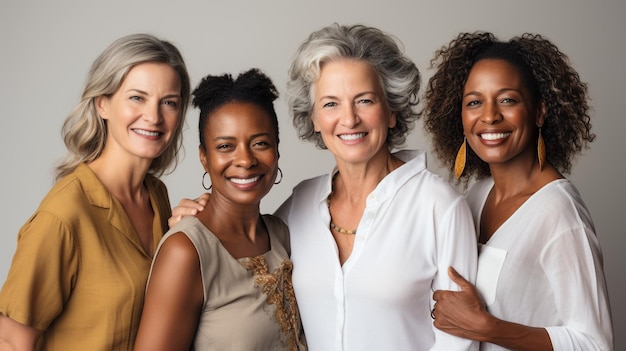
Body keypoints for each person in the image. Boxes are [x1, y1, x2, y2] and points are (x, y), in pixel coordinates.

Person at [172, 24, 479, 351]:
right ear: (315, 118)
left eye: (364, 100)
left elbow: (458, 341)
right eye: (331, 104)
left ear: (391, 110)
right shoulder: (301, 203)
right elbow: (241, 257)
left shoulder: (440, 208)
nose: (349, 119)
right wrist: (194, 222)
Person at [423, 32, 613, 350]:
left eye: (508, 99)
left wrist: (488, 327)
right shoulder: (473, 198)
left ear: (540, 111)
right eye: (474, 102)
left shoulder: (558, 212)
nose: (489, 116)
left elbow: (595, 344)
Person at [0, 33, 190, 351]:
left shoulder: (157, 196)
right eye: (137, 98)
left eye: (168, 102)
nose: (154, 116)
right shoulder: (63, 214)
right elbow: (10, 339)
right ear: (103, 103)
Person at [133, 68, 307, 351]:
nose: (245, 160)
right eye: (226, 146)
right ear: (204, 157)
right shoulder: (186, 252)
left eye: (260, 143)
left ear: (277, 150)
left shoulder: (281, 234)